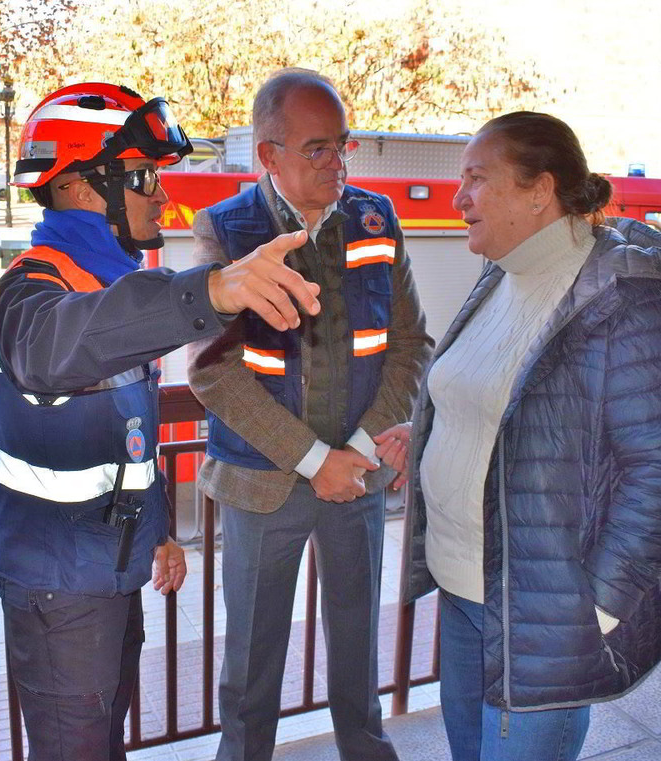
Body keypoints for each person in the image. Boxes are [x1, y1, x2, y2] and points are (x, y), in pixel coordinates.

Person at [0, 82, 321, 761]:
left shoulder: (107, 284)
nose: (160, 196)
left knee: (104, 741)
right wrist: (212, 290)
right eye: (142, 177)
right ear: (80, 186)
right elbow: (51, 349)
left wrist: (159, 532)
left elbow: (129, 436)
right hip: (60, 585)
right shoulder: (31, 287)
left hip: (107, 572)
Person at [378, 111, 661, 761]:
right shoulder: (503, 271)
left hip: (540, 618)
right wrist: (433, 430)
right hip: (466, 591)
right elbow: (509, 395)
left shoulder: (627, 297)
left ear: (538, 190)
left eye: (476, 178)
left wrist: (594, 614)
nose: (458, 196)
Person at [187, 68, 433, 761]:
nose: (339, 163)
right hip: (263, 487)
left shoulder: (378, 219)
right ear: (269, 155)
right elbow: (212, 371)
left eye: (344, 146)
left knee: (357, 650)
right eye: (318, 149)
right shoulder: (224, 229)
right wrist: (314, 460)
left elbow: (411, 343)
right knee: (252, 664)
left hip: (357, 478)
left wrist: (352, 452)